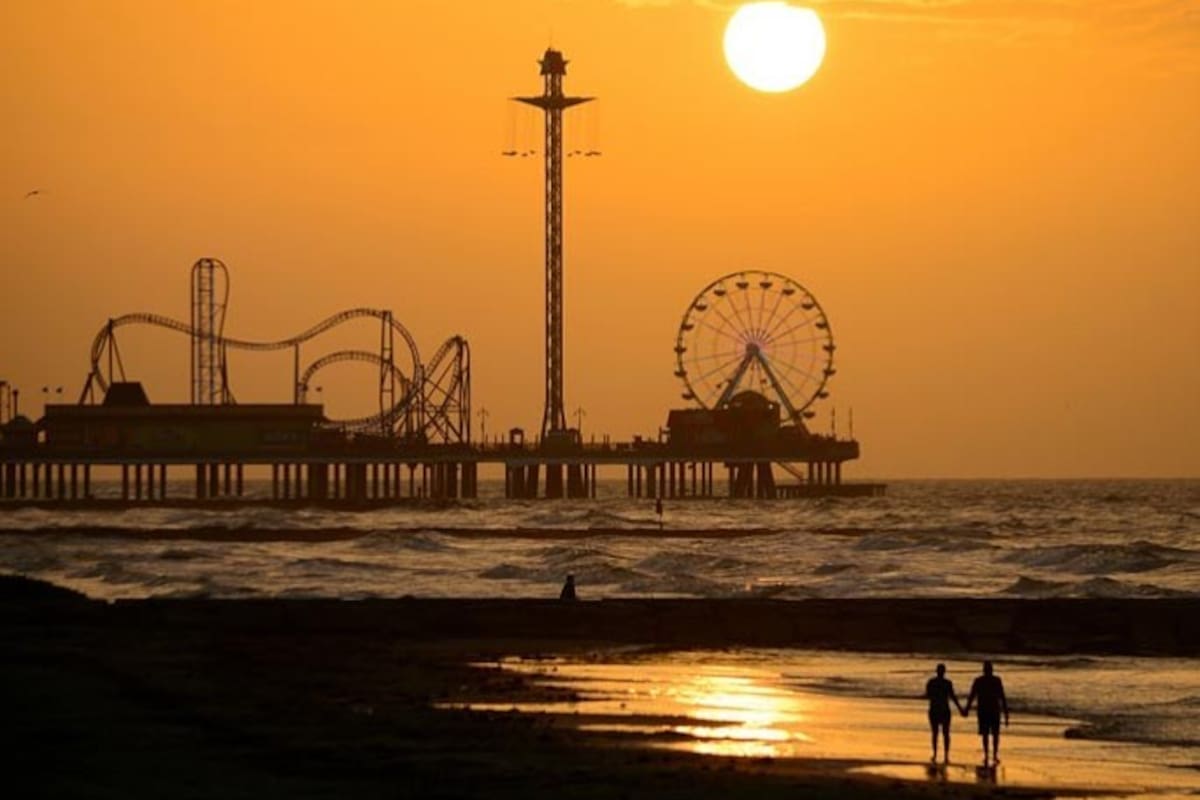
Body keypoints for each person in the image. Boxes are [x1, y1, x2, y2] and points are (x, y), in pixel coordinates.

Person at [963, 660, 1009, 765]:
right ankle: (993, 755)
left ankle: (989, 754)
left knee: (986, 734)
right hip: (992, 710)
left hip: (985, 710)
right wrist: (1006, 714)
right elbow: (1002, 697)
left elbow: (972, 696)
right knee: (993, 734)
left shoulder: (980, 681)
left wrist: (967, 709)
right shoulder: (995, 681)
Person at [924, 663, 963, 763]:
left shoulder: (931, 682)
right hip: (944, 710)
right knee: (945, 733)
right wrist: (960, 709)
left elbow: (927, 695)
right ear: (944, 672)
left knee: (935, 733)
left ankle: (935, 753)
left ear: (937, 671)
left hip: (934, 709)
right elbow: (953, 697)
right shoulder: (947, 683)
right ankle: (945, 754)